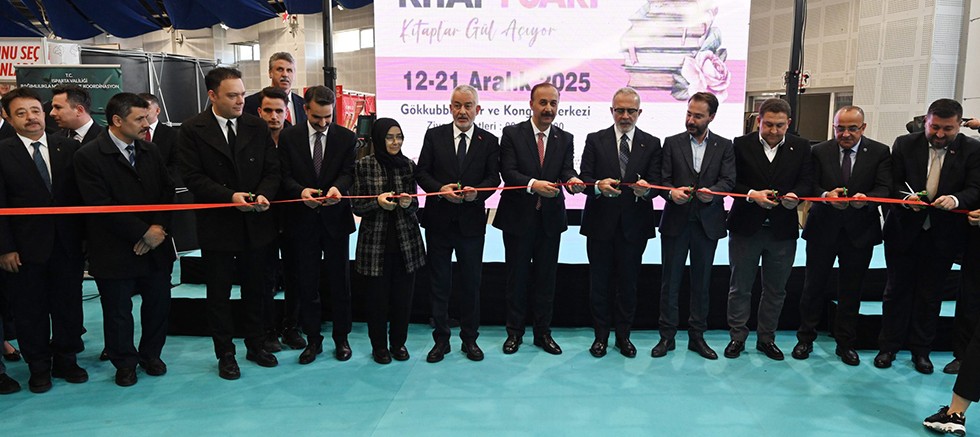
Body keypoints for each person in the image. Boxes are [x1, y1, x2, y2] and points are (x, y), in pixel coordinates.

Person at [178, 67, 281, 380]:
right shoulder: (192, 129)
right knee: (219, 295)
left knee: (256, 289)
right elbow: (192, 177)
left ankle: (256, 344)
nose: (240, 101)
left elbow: (273, 170)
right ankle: (225, 353)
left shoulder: (256, 126)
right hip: (218, 225)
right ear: (212, 96)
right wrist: (229, 196)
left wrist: (263, 194)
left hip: (256, 223)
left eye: (242, 94)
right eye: (232, 95)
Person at [73, 92, 176, 387]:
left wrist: (158, 228)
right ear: (117, 120)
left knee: (158, 305)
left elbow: (167, 191)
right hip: (114, 249)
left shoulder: (150, 150)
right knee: (118, 312)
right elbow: (99, 205)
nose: (146, 123)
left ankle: (151, 355)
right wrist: (142, 232)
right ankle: (125, 363)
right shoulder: (88, 156)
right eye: (139, 118)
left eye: (147, 117)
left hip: (156, 246)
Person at [876, 98, 980, 374]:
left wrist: (956, 200)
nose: (940, 134)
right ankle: (888, 348)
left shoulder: (972, 150)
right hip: (903, 231)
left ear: (959, 126)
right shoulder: (904, 144)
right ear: (926, 121)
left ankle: (921, 352)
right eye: (935, 127)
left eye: (948, 129)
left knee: (930, 295)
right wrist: (905, 198)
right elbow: (891, 184)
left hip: (944, 235)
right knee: (895, 291)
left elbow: (975, 188)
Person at [0, 87, 86, 393]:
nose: (31, 118)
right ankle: (38, 366)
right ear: (8, 118)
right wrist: (5, 248)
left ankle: (67, 359)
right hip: (23, 249)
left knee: (69, 306)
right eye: (21, 113)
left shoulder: (68, 147)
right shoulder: (3, 152)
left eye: (35, 110)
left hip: (67, 245)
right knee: (30, 310)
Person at [791, 106, 892, 366]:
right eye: (840, 128)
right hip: (822, 229)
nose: (845, 134)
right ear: (834, 127)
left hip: (860, 232)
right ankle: (805, 339)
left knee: (851, 290)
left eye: (852, 128)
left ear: (863, 128)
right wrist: (825, 196)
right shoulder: (818, 151)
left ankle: (846, 343)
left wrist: (867, 199)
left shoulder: (880, 152)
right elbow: (809, 184)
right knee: (812, 287)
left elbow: (884, 187)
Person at [493, 82, 586, 355]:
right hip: (517, 219)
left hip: (550, 221)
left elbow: (566, 170)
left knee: (546, 281)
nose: (548, 108)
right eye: (543, 102)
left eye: (553, 103)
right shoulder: (512, 133)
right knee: (516, 279)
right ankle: (514, 333)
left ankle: (543, 333)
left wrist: (573, 181)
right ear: (531, 104)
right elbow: (508, 172)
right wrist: (534, 184)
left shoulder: (565, 138)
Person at [416, 85, 500, 363]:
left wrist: (478, 193)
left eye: (468, 105)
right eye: (457, 105)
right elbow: (421, 173)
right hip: (439, 223)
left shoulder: (489, 141)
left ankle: (470, 339)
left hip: (471, 224)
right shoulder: (434, 135)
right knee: (439, 284)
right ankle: (441, 341)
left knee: (471, 284)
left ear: (478, 109)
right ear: (450, 107)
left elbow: (494, 178)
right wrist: (440, 190)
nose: (462, 111)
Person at [725, 98, 813, 361]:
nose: (774, 130)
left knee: (776, 290)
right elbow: (731, 182)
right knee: (739, 287)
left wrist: (796, 195)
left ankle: (767, 339)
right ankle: (737, 338)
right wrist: (751, 194)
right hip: (745, 228)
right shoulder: (740, 144)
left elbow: (807, 181)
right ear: (758, 121)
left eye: (780, 125)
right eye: (768, 124)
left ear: (789, 123)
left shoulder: (801, 147)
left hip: (782, 231)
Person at [578, 87, 660, 359]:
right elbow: (585, 178)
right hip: (600, 225)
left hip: (634, 227)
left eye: (630, 111)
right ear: (611, 111)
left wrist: (647, 190)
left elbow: (657, 184)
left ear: (639, 112)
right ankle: (600, 337)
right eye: (620, 110)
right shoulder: (595, 139)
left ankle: (623, 336)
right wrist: (597, 186)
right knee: (599, 285)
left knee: (628, 285)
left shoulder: (652, 143)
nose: (625, 116)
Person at [278, 85, 357, 364]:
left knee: (340, 284)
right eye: (317, 118)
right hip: (302, 222)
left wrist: (338, 189)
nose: (323, 123)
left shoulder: (346, 137)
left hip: (336, 221)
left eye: (328, 117)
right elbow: (283, 175)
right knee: (307, 283)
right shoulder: (289, 137)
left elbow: (349, 172)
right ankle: (313, 340)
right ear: (305, 110)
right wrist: (301, 192)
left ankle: (342, 338)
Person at [655, 91, 734, 360]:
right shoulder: (671, 143)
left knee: (702, 283)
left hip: (707, 224)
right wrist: (670, 193)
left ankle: (697, 337)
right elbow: (662, 180)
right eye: (689, 113)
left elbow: (728, 180)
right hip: (675, 222)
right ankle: (666, 337)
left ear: (711, 117)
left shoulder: (724, 146)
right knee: (670, 283)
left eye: (698, 116)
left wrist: (714, 193)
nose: (691, 120)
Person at [350, 118, 426, 365]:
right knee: (377, 301)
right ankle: (379, 346)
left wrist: (408, 203)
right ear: (378, 139)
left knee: (403, 300)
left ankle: (398, 343)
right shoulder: (364, 165)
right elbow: (356, 205)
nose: (395, 142)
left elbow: (415, 204)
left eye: (399, 137)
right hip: (375, 245)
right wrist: (377, 202)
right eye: (390, 137)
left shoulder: (408, 165)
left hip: (406, 244)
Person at [243, 52, 307, 129]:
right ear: (270, 73)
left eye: (289, 70)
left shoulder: (304, 104)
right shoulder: (250, 103)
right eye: (280, 69)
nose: (285, 74)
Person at [137, 93, 180, 184]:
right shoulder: (130, 133)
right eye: (140, 108)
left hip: (164, 184)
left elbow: (177, 164)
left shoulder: (173, 134)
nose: (143, 112)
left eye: (146, 108)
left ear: (157, 110)